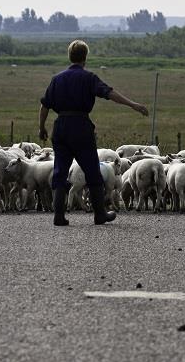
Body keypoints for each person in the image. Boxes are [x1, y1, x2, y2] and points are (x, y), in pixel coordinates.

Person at [38, 40, 149, 226]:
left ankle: (58, 216)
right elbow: (109, 93)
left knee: (60, 171)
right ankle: (100, 214)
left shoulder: (57, 79)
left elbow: (44, 105)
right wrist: (133, 105)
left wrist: (41, 127)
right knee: (91, 169)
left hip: (61, 127)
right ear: (85, 57)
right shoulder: (89, 78)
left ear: (69, 56)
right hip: (81, 126)